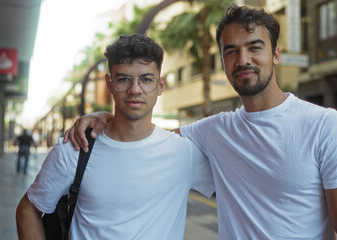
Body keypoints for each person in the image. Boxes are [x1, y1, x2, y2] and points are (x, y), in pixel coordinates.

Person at [64, 5, 337, 239]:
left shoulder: (327, 127)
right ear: (223, 61)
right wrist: (103, 116)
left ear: (276, 54)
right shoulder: (213, 131)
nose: (243, 60)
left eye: (255, 47)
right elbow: (141, 137)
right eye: (231, 51)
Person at [16, 34, 214, 239]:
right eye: (123, 79)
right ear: (109, 84)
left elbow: (240, 185)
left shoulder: (184, 152)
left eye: (146, 79)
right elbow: (28, 210)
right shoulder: (74, 148)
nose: (135, 90)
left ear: (160, 85)